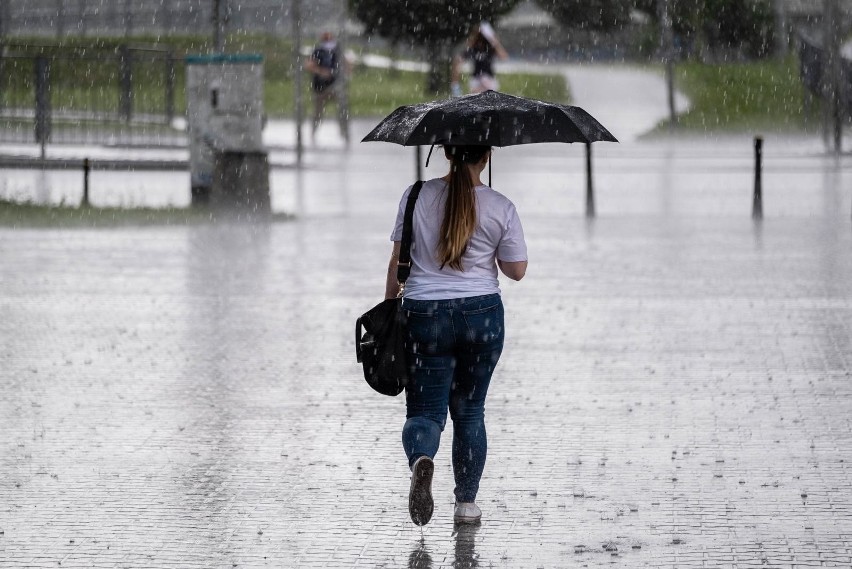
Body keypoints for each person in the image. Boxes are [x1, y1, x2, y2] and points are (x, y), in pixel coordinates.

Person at [385, 145, 528, 526]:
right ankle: (466, 504)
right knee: (470, 413)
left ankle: (421, 460)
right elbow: (516, 270)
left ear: (447, 151)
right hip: (481, 316)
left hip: (423, 314)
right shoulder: (500, 206)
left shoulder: (415, 196)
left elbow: (398, 260)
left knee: (425, 412)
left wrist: (389, 315)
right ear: (488, 156)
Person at [304, 31, 349, 144]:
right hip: (320, 87)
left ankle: (344, 133)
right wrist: (321, 71)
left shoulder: (337, 51)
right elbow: (309, 65)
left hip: (335, 86)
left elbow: (346, 64)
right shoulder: (318, 51)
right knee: (318, 113)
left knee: (342, 110)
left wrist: (344, 73)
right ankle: (313, 134)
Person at [451, 22, 509, 96]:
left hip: (489, 78)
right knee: (477, 97)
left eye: (482, 37)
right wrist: (455, 85)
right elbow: (458, 60)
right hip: (476, 79)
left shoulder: (490, 48)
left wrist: (493, 40)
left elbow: (504, 56)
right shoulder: (473, 49)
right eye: (479, 37)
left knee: (488, 97)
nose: (480, 40)